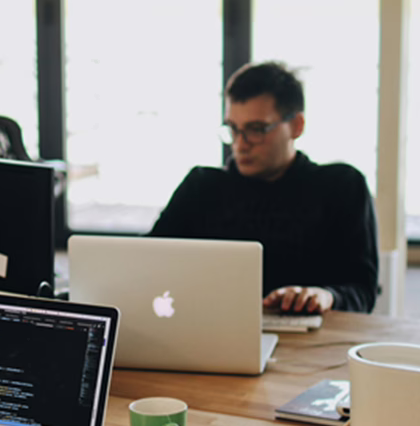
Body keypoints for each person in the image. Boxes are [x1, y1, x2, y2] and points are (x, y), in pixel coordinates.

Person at [149, 61, 379, 314]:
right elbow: (146, 262)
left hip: (312, 334)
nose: (240, 144)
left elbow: (363, 291)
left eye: (257, 129)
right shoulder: (201, 187)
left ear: (297, 126)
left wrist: (326, 296)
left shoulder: (341, 187)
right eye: (233, 129)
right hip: (210, 328)